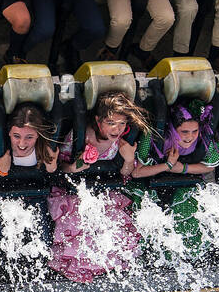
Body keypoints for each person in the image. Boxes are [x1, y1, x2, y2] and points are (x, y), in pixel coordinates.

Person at [46, 91, 152, 281]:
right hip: (74, 191)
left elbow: (126, 174)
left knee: (113, 224)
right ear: (98, 120)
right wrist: (74, 166)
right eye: (111, 123)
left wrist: (128, 159)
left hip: (104, 189)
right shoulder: (81, 135)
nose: (117, 129)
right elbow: (58, 170)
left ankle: (105, 268)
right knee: (79, 223)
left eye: (121, 124)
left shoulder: (121, 141)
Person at [127, 97, 219, 254]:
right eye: (184, 132)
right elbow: (137, 172)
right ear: (173, 128)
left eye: (194, 131)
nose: (190, 137)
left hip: (182, 183)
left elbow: (209, 165)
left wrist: (183, 168)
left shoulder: (203, 139)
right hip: (149, 185)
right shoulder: (154, 136)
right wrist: (167, 165)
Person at [0, 104, 60, 175]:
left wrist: (52, 169)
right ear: (9, 132)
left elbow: (61, 179)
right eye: (16, 136)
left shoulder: (48, 153)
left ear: (38, 135)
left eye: (29, 137)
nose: (22, 143)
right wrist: (1, 171)